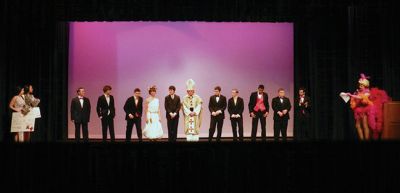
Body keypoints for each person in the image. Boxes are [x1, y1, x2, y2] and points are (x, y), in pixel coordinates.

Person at [347, 74, 390, 140]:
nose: (360, 86)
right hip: (359, 109)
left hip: (366, 109)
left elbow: (361, 97)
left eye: (362, 85)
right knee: (357, 125)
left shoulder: (367, 92)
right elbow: (356, 99)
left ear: (365, 86)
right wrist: (352, 96)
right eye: (360, 85)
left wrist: (352, 95)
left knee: (365, 125)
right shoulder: (358, 91)